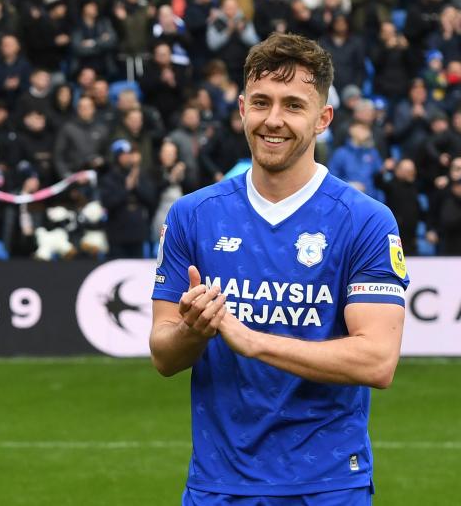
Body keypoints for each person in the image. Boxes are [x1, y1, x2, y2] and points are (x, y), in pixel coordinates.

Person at [150, 33, 409, 504]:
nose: (273, 120)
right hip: (217, 485)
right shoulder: (193, 215)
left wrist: (251, 341)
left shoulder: (366, 220)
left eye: (293, 105)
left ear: (323, 119)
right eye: (262, 103)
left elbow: (378, 360)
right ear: (242, 108)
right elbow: (164, 355)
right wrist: (194, 329)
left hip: (328, 485)